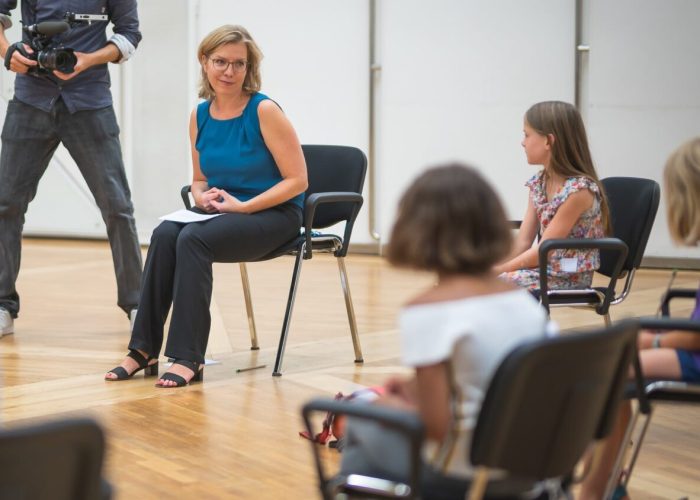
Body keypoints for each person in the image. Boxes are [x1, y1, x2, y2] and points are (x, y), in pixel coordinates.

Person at [105, 25, 308, 388]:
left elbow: (298, 181)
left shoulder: (264, 111)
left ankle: (187, 356)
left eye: (238, 64)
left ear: (249, 68)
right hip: (228, 212)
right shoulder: (200, 116)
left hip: (275, 216)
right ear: (204, 62)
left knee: (192, 240)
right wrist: (201, 197)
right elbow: (200, 178)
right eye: (220, 62)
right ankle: (143, 349)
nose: (229, 72)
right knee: (166, 233)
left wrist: (244, 207)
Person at [339, 164, 554, 495]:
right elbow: (482, 376)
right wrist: (414, 388)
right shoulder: (524, 303)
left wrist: (387, 406)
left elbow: (436, 428)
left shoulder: (428, 309)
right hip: (531, 472)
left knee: (359, 420)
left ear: (417, 228)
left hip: (465, 474)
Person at [0, 1, 143, 337]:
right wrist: (7, 52)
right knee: (6, 204)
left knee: (118, 207)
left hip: (91, 102)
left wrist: (88, 60)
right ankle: (3, 304)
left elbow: (130, 35)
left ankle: (138, 305)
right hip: (30, 101)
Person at [579, 137, 700, 500]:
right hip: (690, 344)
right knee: (607, 363)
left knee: (604, 372)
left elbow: (695, 339)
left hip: (694, 351)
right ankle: (606, 482)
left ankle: (597, 487)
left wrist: (652, 338)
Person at [494, 101, 610, 291]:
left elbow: (544, 250)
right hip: (540, 269)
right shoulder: (538, 183)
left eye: (527, 134)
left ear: (548, 140)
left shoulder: (579, 191)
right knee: (473, 283)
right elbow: (523, 242)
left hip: (567, 276)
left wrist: (498, 271)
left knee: (490, 286)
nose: (522, 142)